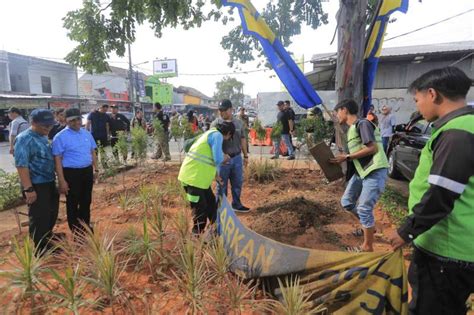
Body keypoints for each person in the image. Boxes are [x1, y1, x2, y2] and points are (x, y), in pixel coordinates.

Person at [387, 67, 474, 315]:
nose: (419, 106)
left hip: (446, 250)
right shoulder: (467, 125)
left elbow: (442, 194)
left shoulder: (456, 133)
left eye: (418, 99)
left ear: (433, 94)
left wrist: (406, 231)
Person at [330, 99, 389, 252]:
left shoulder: (362, 124)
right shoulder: (351, 130)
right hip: (362, 172)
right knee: (347, 202)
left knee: (363, 208)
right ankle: (369, 227)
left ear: (344, 109)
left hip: (375, 170)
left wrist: (347, 157)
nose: (337, 116)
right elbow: (358, 154)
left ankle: (367, 247)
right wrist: (344, 159)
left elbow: (372, 148)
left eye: (337, 112)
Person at [14, 109, 58, 253]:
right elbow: (21, 165)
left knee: (51, 212)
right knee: (39, 216)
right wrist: (28, 188)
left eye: (50, 125)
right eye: (44, 126)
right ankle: (41, 248)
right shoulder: (24, 139)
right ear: (33, 123)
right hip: (35, 184)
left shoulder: (42, 136)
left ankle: (47, 236)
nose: (48, 128)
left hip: (48, 181)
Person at [178, 121, 234, 234]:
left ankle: (217, 231)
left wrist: (216, 176)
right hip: (193, 179)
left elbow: (206, 159)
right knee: (201, 210)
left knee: (211, 205)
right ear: (228, 133)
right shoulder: (217, 135)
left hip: (199, 180)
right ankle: (196, 237)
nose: (227, 140)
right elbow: (217, 159)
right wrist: (226, 158)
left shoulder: (210, 133)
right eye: (229, 137)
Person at [52, 108, 98, 234]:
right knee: (73, 202)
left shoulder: (86, 133)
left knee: (86, 200)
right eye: (72, 120)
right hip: (71, 173)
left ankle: (86, 226)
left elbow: (92, 152)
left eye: (78, 119)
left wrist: (96, 169)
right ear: (66, 121)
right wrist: (61, 180)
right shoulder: (60, 137)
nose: (77, 122)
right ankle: (76, 230)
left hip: (87, 171)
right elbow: (57, 159)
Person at [211, 99, 250, 212]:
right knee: (221, 185)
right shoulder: (215, 124)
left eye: (224, 110)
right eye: (220, 110)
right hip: (222, 161)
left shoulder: (238, 123)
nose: (221, 113)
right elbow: (212, 143)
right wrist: (220, 157)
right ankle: (221, 208)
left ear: (231, 109)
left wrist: (245, 156)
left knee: (237, 183)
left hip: (237, 157)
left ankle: (236, 204)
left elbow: (243, 139)